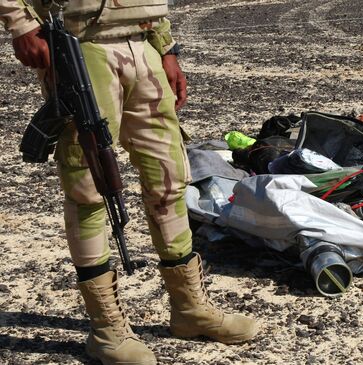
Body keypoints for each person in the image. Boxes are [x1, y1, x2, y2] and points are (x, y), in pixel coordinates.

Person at [0, 1, 258, 364]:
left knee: (169, 179)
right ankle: (106, 329)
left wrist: (165, 47)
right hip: (81, 45)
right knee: (89, 186)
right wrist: (21, 23)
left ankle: (189, 309)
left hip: (143, 43)